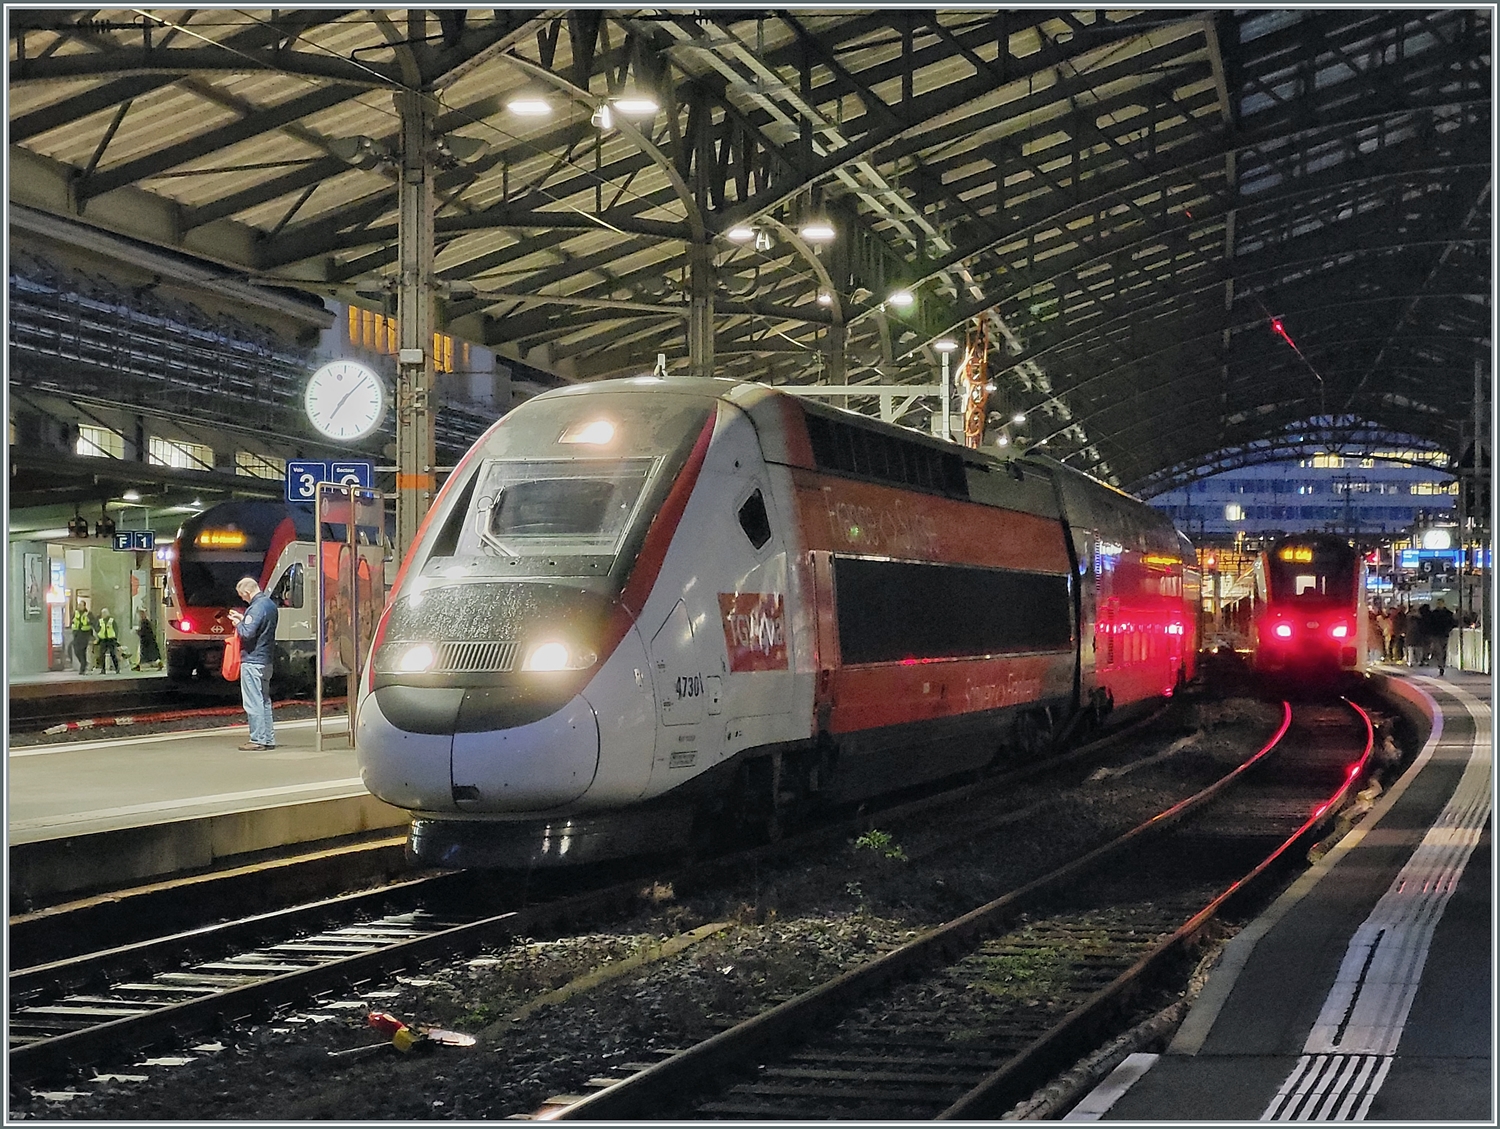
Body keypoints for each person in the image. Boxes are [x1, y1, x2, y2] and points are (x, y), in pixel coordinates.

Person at [228, 576, 279, 750]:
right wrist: (244, 619)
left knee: (253, 701)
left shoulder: (256, 608)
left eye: (243, 595)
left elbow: (248, 633)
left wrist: (238, 623)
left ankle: (257, 739)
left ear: (248, 591)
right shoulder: (270, 605)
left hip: (253, 660)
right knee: (264, 700)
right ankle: (268, 738)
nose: (243, 599)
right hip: (267, 661)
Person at [1427, 598, 1458, 676]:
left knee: (1442, 650)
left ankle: (1441, 665)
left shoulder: (1434, 614)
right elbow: (1453, 623)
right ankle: (1441, 665)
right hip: (1439, 634)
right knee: (1440, 650)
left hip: (1441, 634)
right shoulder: (1448, 613)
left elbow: (1430, 624)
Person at [71, 600, 95, 674]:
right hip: (77, 634)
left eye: (81, 605)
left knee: (82, 651)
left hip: (85, 634)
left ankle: (82, 667)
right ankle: (84, 663)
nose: (79, 606)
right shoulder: (75, 613)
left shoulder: (88, 614)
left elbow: (93, 622)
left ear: (84, 606)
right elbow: (72, 621)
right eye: (79, 605)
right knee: (76, 651)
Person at [94, 607, 121, 673]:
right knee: (102, 655)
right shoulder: (100, 621)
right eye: (102, 613)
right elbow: (97, 628)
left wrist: (116, 638)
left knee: (113, 654)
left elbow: (115, 629)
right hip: (103, 639)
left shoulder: (111, 620)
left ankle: (117, 668)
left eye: (104, 613)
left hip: (111, 639)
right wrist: (99, 635)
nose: (103, 615)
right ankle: (103, 669)